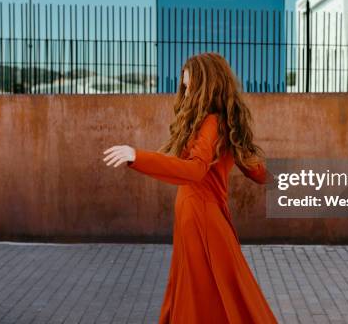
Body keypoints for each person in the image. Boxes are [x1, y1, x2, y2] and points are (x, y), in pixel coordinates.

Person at [103, 52, 278, 323]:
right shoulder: (222, 122)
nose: (185, 93)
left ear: (207, 85)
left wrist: (137, 156)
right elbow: (256, 170)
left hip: (201, 219)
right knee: (211, 291)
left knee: (208, 293)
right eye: (184, 86)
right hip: (198, 218)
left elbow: (194, 170)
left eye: (190, 86)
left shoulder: (211, 122)